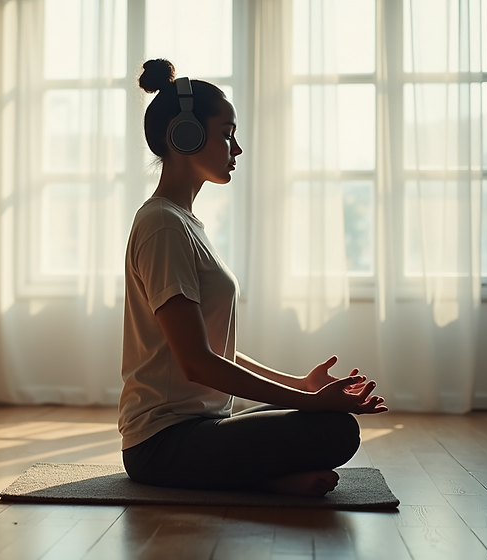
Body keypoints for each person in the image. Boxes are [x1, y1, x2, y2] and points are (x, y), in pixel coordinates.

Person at [120, 59, 388, 497]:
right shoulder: (163, 225)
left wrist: (298, 386)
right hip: (162, 445)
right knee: (334, 431)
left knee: (325, 422)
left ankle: (260, 474)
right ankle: (266, 479)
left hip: (204, 427)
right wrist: (309, 401)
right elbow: (196, 362)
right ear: (184, 136)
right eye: (227, 134)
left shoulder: (182, 222)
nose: (237, 148)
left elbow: (211, 347)